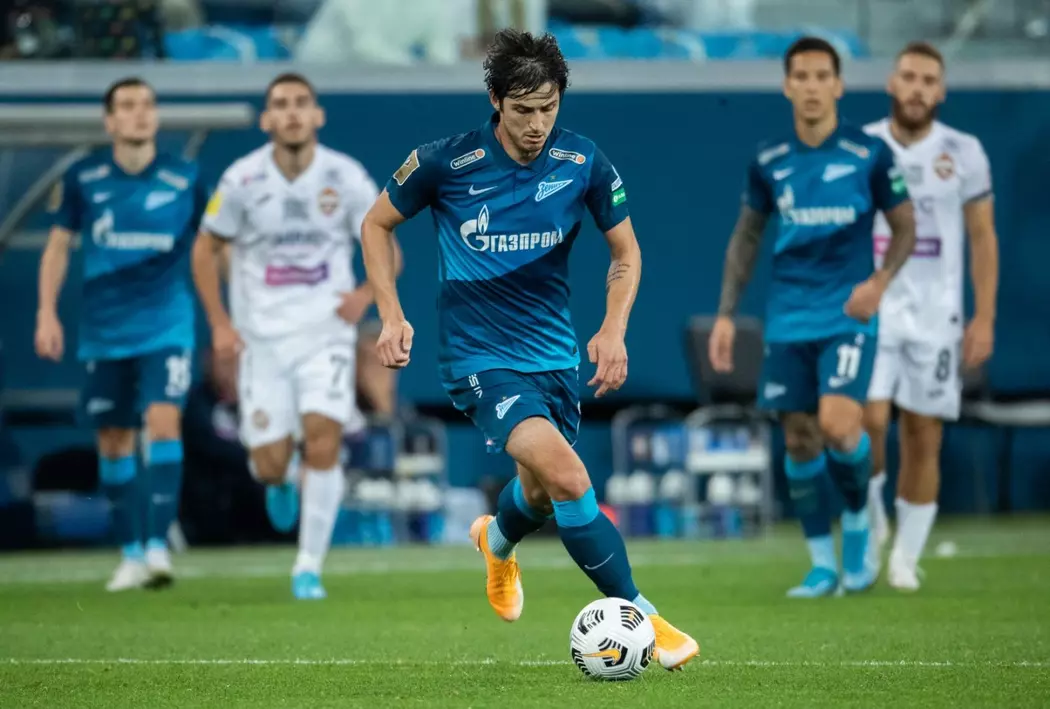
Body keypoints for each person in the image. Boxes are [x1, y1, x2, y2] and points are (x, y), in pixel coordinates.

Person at [359, 28, 698, 670]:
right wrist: (391, 315)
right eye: (522, 110)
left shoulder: (583, 161)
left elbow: (626, 254)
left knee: (540, 495)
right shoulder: (443, 162)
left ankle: (496, 540)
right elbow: (375, 224)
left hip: (554, 359)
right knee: (571, 478)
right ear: (495, 101)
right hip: (479, 359)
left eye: (548, 107)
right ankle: (647, 620)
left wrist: (614, 328)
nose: (537, 124)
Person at [708, 37, 918, 597]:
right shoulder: (769, 159)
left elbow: (905, 226)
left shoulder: (869, 154)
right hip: (788, 316)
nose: (812, 86)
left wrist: (879, 283)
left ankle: (858, 522)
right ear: (787, 86)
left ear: (839, 85)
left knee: (839, 426)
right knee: (800, 439)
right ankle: (822, 563)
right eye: (801, 76)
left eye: (822, 76)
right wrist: (726, 314)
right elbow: (746, 237)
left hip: (848, 313)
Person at [192, 72, 401, 600]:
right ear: (267, 119)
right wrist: (219, 323)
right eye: (280, 104)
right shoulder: (242, 179)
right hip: (261, 340)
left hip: (325, 334)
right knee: (267, 463)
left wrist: (365, 295)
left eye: (300, 103)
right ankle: (280, 478)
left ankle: (308, 566)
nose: (291, 112)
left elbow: (386, 245)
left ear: (317, 115)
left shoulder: (345, 176)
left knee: (324, 436)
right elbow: (204, 249)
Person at [35, 77, 206, 591]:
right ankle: (130, 553)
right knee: (113, 439)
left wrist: (227, 313)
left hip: (167, 324)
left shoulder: (186, 177)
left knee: (163, 421)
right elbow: (58, 246)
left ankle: (157, 546)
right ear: (109, 121)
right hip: (105, 331)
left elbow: (211, 247)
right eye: (127, 106)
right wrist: (46, 313)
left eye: (147, 104)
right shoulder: (83, 177)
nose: (139, 113)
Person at [863, 42, 998, 591]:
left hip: (937, 314)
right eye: (909, 77)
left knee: (923, 433)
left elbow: (982, 236)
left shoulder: (965, 152)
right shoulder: (864, 146)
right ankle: (872, 522)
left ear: (940, 92)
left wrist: (984, 316)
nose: (917, 88)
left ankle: (905, 557)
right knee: (868, 422)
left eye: (928, 80)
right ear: (892, 83)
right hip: (874, 307)